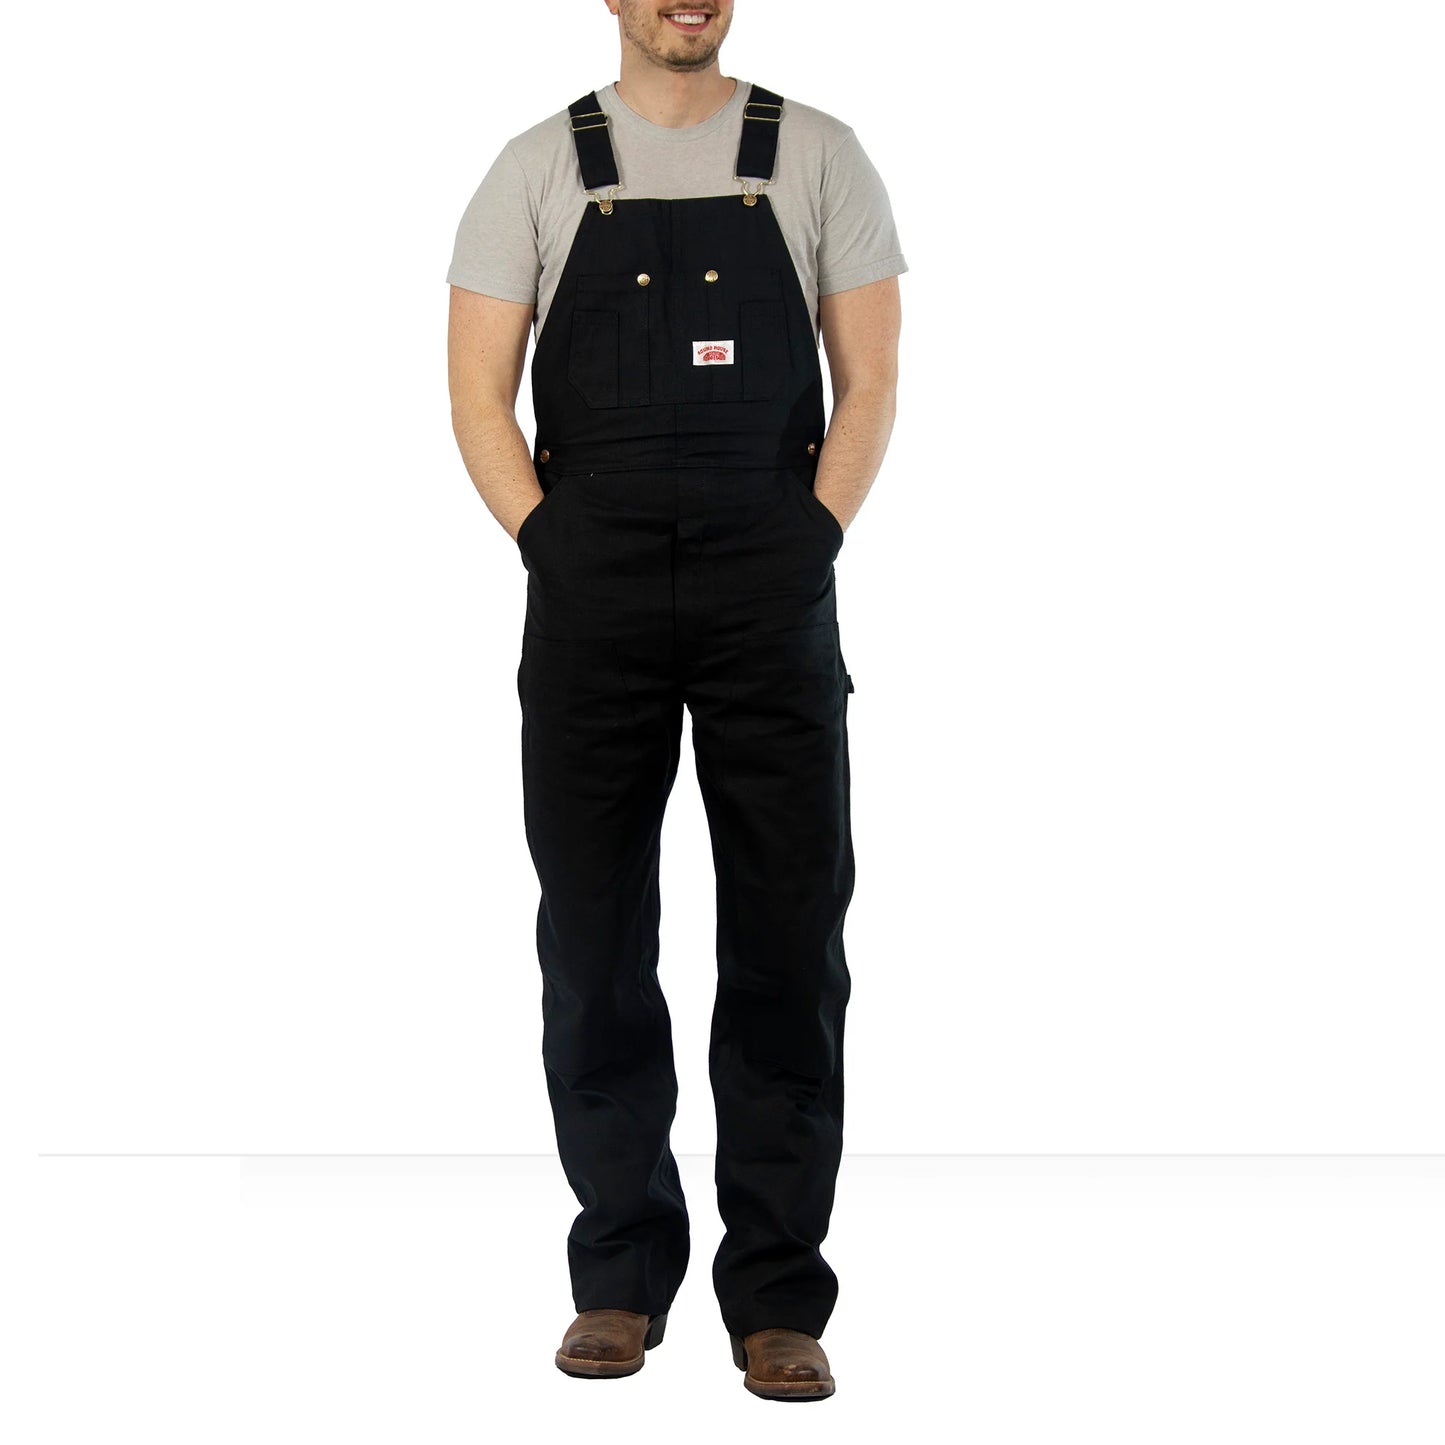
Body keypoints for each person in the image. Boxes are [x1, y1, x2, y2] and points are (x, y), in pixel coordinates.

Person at [445, 0, 905, 1403]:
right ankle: (617, 1276)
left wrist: (812, 539)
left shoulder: (817, 154)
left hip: (771, 592)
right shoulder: (536, 166)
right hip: (591, 599)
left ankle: (777, 1296)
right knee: (593, 942)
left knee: (787, 942)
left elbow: (870, 380)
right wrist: (548, 543)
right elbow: (477, 398)